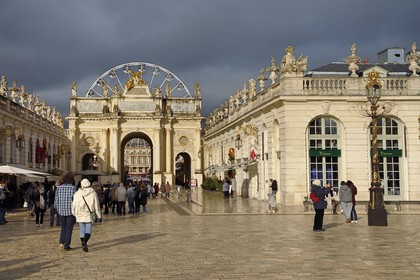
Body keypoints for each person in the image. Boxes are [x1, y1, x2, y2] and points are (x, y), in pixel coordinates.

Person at [72, 179, 102, 252]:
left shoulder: (77, 193)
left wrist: (74, 213)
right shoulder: (93, 193)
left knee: (82, 230)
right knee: (88, 230)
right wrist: (99, 215)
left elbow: (74, 204)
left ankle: (83, 243)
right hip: (89, 214)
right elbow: (96, 205)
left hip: (80, 214)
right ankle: (84, 242)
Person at [54, 173, 76, 251]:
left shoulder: (58, 188)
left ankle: (61, 242)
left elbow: (56, 200)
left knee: (63, 227)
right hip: (70, 212)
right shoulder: (73, 188)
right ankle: (66, 245)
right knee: (69, 228)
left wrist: (56, 209)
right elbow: (75, 201)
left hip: (61, 211)